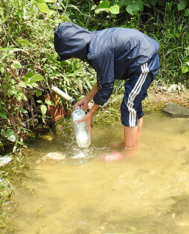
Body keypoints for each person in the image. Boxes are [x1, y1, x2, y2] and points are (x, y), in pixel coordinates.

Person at [53, 22, 160, 162]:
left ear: (74, 48)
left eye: (70, 55)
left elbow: (107, 86)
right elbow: (104, 77)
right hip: (141, 56)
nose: (72, 58)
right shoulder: (93, 43)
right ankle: (133, 142)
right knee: (134, 104)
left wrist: (91, 113)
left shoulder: (97, 51)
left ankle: (130, 152)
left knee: (130, 104)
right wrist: (87, 98)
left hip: (144, 60)